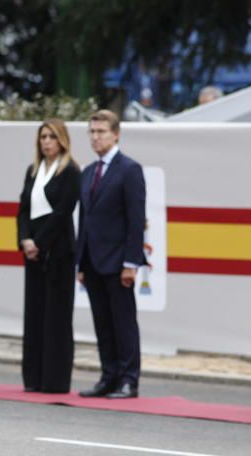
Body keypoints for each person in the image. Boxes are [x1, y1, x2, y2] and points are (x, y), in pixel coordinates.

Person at [76, 109, 146, 399]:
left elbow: (135, 220)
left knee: (123, 322)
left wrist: (131, 262)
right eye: (92, 132)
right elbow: (84, 220)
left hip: (118, 262)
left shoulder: (129, 169)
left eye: (101, 132)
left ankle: (129, 379)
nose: (95, 137)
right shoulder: (89, 172)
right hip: (92, 260)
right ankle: (109, 376)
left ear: (116, 134)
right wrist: (80, 262)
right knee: (102, 323)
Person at [16, 119, 81, 393]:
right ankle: (34, 378)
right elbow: (23, 208)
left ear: (62, 140)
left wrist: (39, 242)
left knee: (56, 316)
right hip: (34, 253)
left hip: (58, 252)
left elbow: (63, 211)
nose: (46, 141)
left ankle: (55, 380)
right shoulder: (33, 170)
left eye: (52, 137)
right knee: (35, 314)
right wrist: (25, 240)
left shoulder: (71, 171)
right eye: (43, 136)